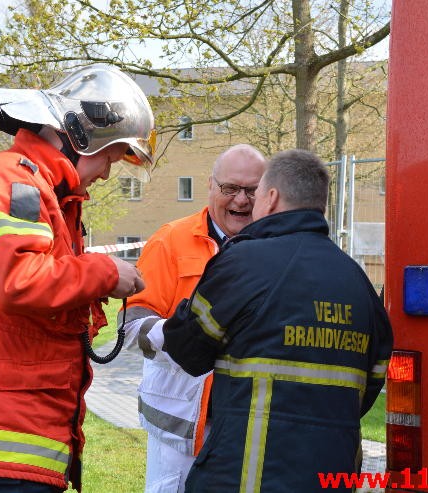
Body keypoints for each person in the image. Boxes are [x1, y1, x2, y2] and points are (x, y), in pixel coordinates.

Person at [0, 64, 154, 493]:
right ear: (81, 135)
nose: (106, 173)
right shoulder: (13, 180)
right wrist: (105, 274)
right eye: (109, 156)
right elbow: (17, 280)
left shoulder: (45, 192)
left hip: (13, 442)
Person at [162, 149, 393, 492]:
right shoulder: (359, 284)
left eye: (255, 196)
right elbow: (368, 387)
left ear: (270, 198)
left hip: (242, 478)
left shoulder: (244, 263)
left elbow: (187, 351)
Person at [118, 144, 267, 492]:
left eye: (251, 190)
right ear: (210, 187)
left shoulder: (275, 246)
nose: (241, 200)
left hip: (249, 424)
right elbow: (131, 324)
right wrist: (185, 340)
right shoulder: (171, 240)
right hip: (180, 429)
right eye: (230, 188)